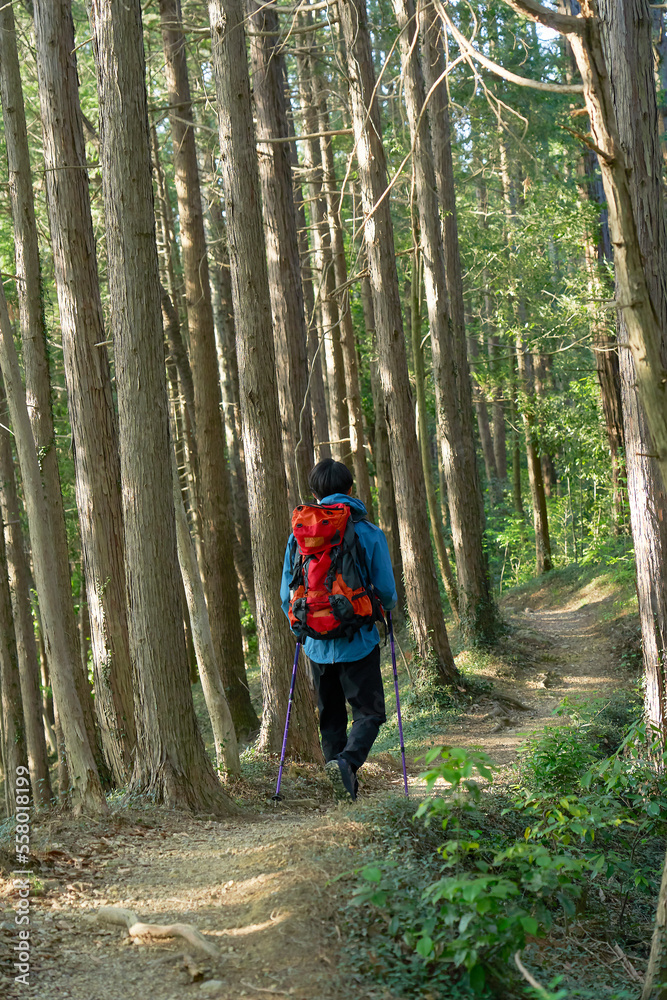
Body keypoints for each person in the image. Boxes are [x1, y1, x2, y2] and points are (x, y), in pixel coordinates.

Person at [280, 458, 398, 802]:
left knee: (330, 716)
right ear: (350, 490)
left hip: (315, 642)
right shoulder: (368, 531)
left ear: (316, 495)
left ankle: (340, 786)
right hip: (357, 639)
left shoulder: (298, 537)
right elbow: (387, 592)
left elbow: (286, 591)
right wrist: (382, 609)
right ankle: (346, 764)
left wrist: (307, 624)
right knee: (370, 712)